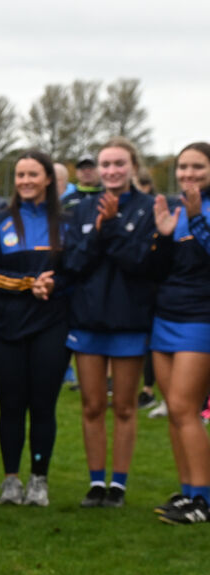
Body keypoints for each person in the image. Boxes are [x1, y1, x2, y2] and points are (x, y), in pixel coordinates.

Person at [63, 137, 156, 508]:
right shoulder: (83, 209)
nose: (112, 171)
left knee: (125, 407)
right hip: (87, 321)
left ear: (133, 166)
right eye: (106, 164)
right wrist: (100, 228)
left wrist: (113, 225)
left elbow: (139, 262)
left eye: (119, 163)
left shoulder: (150, 207)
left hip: (130, 321)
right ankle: (96, 483)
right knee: (92, 405)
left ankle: (119, 484)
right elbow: (73, 263)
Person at [0, 150, 70, 506]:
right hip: (6, 328)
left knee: (43, 406)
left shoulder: (65, 221)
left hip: (51, 326)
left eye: (33, 174)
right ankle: (11, 480)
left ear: (48, 178)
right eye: (20, 175)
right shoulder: (0, 220)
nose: (26, 181)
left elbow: (77, 267)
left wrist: (51, 285)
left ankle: (39, 480)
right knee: (11, 405)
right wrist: (28, 283)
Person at [150, 142, 210, 524]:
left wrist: (197, 219)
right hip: (166, 316)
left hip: (200, 319)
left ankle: (203, 500)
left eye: (198, 168)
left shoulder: (199, 211)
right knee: (174, 409)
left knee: (188, 409)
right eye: (183, 167)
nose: (188, 174)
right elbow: (161, 270)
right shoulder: (175, 209)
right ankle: (188, 491)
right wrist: (164, 237)